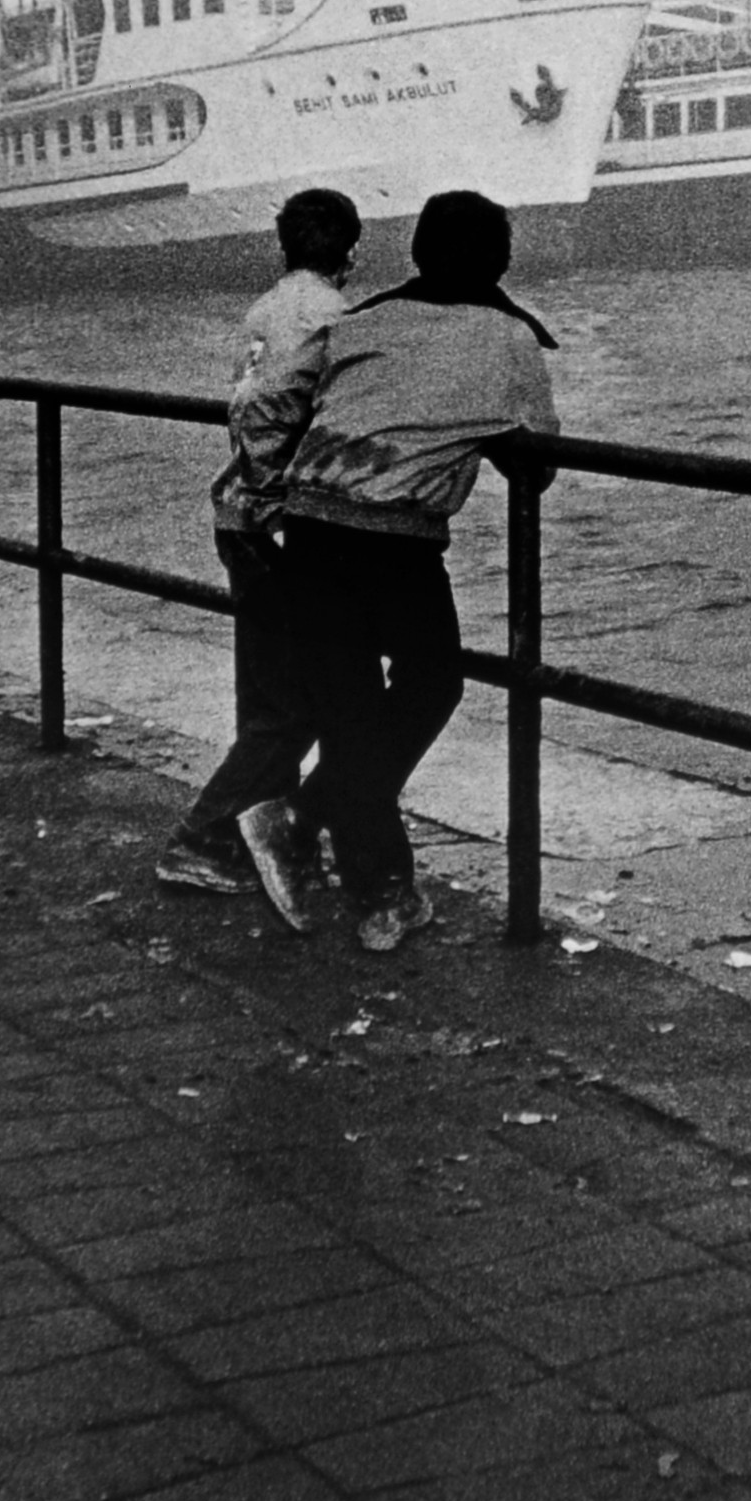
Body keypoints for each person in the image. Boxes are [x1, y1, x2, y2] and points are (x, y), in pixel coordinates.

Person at [237, 189, 558, 952]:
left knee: (351, 714)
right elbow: (534, 469)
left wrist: (267, 491)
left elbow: (264, 403)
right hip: (392, 540)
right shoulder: (509, 337)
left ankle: (383, 893)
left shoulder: (359, 322)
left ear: (415, 253)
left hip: (308, 528)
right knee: (431, 682)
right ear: (501, 260)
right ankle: (311, 826)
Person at [154, 187, 360, 924]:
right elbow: (291, 414)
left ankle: (256, 830)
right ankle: (202, 837)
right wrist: (287, 500)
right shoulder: (333, 317)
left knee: (269, 700)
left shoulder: (268, 307)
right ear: (352, 250)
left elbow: (248, 405)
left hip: (235, 514)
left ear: (283, 244)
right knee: (297, 706)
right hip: (276, 526)